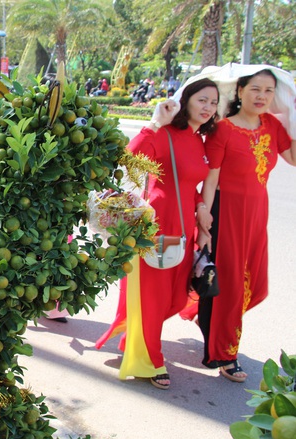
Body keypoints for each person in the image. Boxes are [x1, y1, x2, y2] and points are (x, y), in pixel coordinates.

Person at [94, 78, 220, 390]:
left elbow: (190, 185)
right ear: (186, 99)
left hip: (183, 227)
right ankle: (149, 360)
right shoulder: (165, 133)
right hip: (156, 224)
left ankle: (137, 337)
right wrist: (154, 122)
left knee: (175, 296)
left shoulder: (199, 140)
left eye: (214, 103)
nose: (208, 108)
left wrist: (202, 213)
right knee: (152, 297)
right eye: (202, 100)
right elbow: (129, 157)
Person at [195, 69, 296, 383]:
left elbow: (293, 158)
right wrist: (204, 216)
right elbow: (210, 178)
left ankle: (211, 324)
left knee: (252, 280)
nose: (262, 96)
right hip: (226, 212)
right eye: (255, 89)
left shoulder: (273, 126)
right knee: (232, 285)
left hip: (257, 213)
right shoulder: (223, 130)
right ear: (239, 91)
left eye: (268, 90)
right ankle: (224, 354)